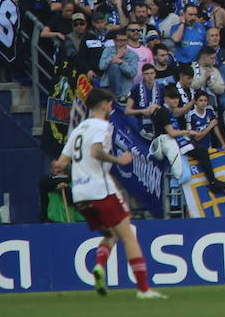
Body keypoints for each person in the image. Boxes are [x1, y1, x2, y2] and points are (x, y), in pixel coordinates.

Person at [51, 88, 165, 299]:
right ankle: (143, 289)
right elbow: (96, 151)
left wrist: (56, 166)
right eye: (110, 104)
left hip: (80, 194)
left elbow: (61, 163)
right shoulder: (102, 126)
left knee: (111, 234)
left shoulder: (78, 129)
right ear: (104, 105)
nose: (111, 108)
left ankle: (99, 267)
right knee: (129, 234)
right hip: (99, 190)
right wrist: (118, 160)